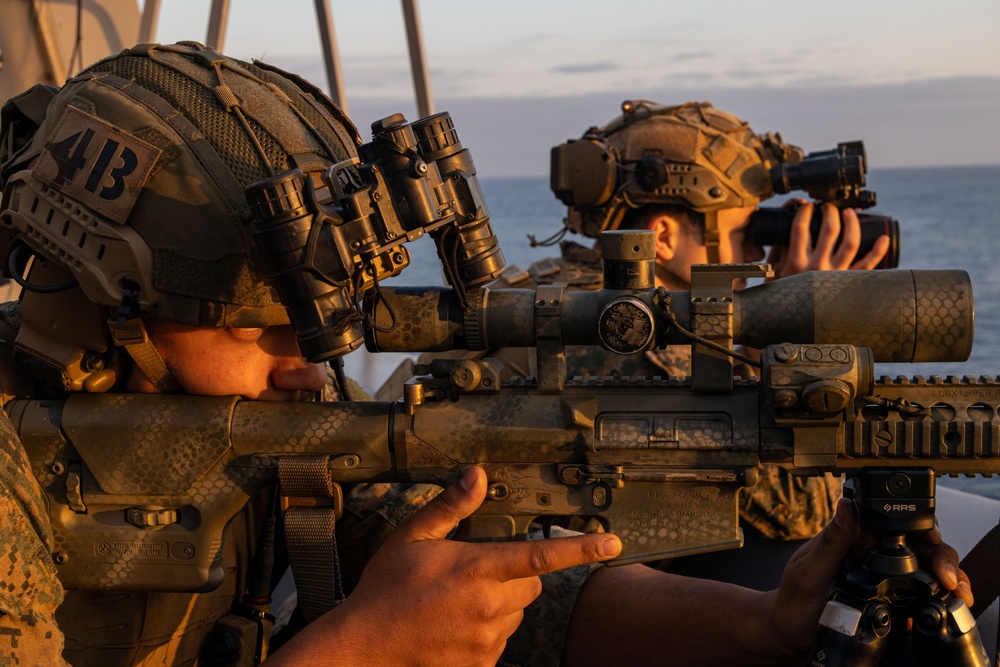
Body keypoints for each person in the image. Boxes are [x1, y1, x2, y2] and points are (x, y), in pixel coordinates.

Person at [0, 43, 971, 666]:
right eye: (255, 326)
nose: (305, 361)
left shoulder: (266, 414)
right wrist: (357, 654)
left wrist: (761, 631)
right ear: (111, 296)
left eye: (324, 323)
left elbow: (495, 584)